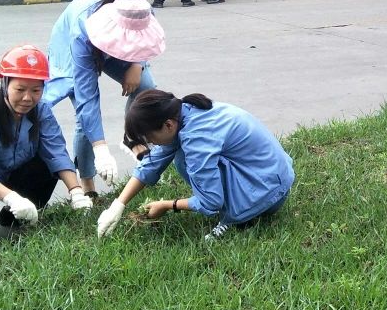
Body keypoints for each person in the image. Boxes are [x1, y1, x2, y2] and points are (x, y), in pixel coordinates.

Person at [96, 90, 295, 243]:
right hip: (275, 178)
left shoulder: (196, 138)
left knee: (182, 159)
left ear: (168, 125)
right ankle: (242, 206)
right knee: (179, 153)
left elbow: (211, 201)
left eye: (150, 138)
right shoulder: (185, 112)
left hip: (269, 195)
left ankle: (236, 217)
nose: (152, 144)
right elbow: (153, 163)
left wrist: (167, 205)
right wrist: (118, 205)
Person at [0, 45, 93, 240]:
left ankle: (14, 216)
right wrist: (12, 198)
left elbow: (56, 151)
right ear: (5, 84)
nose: (28, 98)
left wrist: (76, 191)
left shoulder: (42, 110)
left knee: (47, 165)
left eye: (36, 90)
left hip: (13, 171)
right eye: (20, 89)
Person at [42, 0, 167, 194]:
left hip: (117, 38)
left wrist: (137, 64)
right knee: (84, 118)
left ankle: (132, 136)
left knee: (146, 86)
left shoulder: (141, 11)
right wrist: (100, 149)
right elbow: (87, 99)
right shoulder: (81, 32)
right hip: (74, 45)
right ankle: (87, 184)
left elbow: (142, 41)